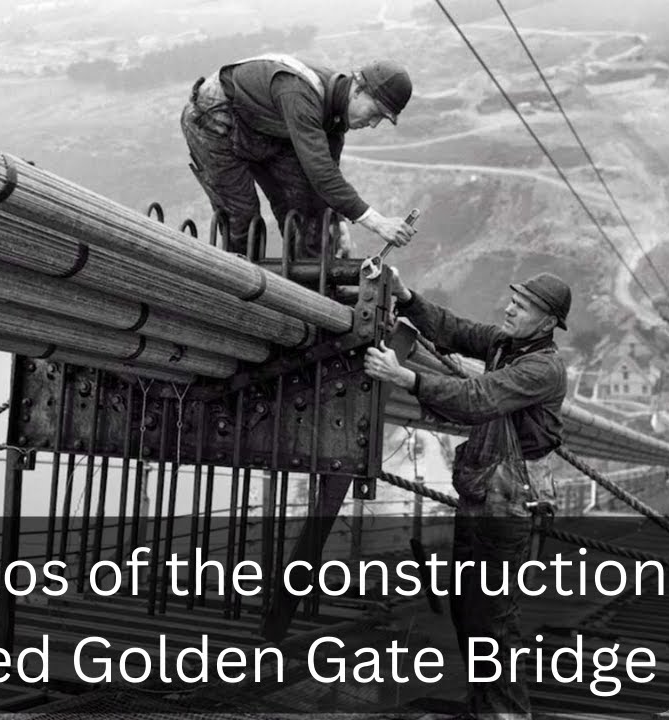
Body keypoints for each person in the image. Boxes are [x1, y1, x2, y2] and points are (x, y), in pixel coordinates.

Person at [363, 268, 571, 720]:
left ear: (547, 323)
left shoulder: (542, 367)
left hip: (508, 505)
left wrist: (407, 379)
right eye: (513, 299)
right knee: (469, 613)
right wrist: (407, 295)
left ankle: (505, 714)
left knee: (492, 620)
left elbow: (478, 398)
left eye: (523, 306)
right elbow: (456, 330)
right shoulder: (507, 346)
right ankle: (484, 711)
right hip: (485, 497)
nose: (511, 307)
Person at [181, 54, 417, 258]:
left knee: (308, 209)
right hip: (215, 123)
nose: (373, 124)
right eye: (375, 112)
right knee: (242, 217)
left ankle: (311, 288)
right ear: (357, 90)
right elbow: (321, 173)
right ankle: (239, 284)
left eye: (381, 119)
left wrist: (337, 224)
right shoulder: (299, 93)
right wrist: (378, 223)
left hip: (265, 129)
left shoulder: (334, 117)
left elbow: (325, 178)